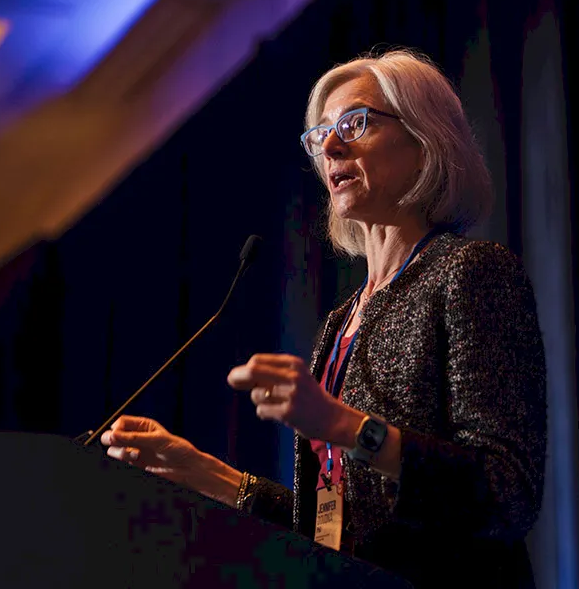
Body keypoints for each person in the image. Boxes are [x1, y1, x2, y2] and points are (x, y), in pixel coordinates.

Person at [101, 49, 547, 588]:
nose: (330, 146)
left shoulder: (470, 272)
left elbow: (505, 493)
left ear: (425, 139)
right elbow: (334, 528)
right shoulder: (340, 323)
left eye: (354, 124)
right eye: (320, 135)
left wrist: (342, 425)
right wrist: (201, 471)